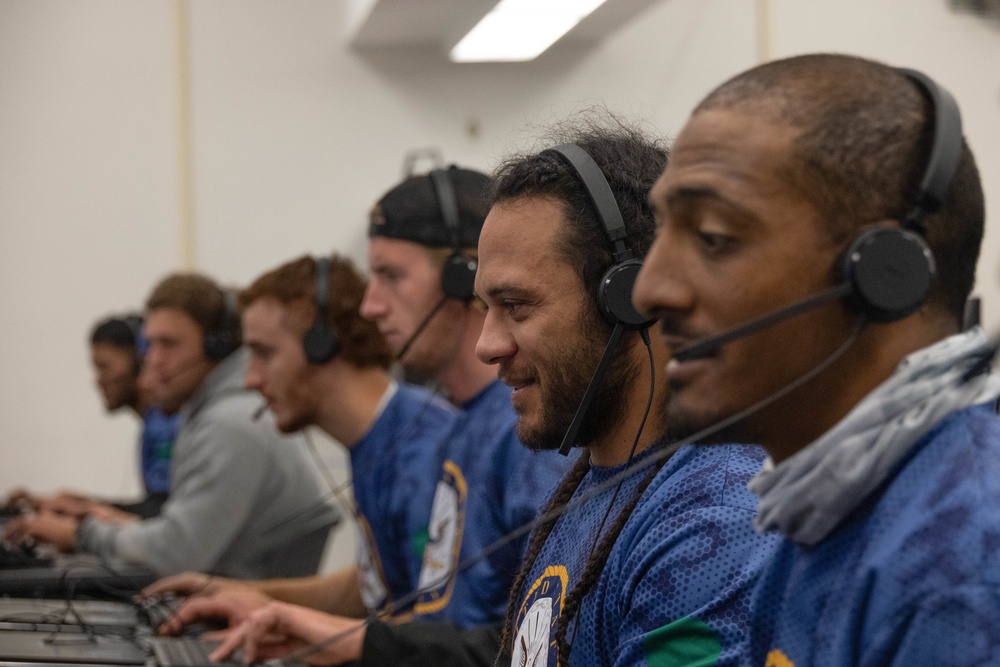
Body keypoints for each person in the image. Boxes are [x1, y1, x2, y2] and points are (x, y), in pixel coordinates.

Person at [632, 54, 1000, 666]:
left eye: (715, 237)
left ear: (884, 273)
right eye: (660, 233)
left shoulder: (961, 565)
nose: (649, 290)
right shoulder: (823, 506)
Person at [173, 167, 571, 666]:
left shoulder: (524, 433)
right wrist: (267, 603)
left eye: (391, 276)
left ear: (460, 281)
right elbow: (407, 601)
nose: (370, 305)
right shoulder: (466, 428)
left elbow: (541, 642)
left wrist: (323, 633)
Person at [147, 254, 456, 623]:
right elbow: (371, 589)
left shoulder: (423, 453)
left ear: (321, 345)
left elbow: (441, 630)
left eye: (264, 353)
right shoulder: (378, 436)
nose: (251, 380)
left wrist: (298, 629)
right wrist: (247, 595)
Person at [7, 274, 340, 579]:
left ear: (216, 345)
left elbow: (176, 554)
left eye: (168, 344)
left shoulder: (230, 425)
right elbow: (181, 534)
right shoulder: (214, 414)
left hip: (237, 623)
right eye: (149, 345)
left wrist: (81, 534)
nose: (152, 360)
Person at [9, 315, 178, 521]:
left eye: (105, 367)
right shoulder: (155, 424)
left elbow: (162, 516)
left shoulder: (166, 427)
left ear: (140, 362)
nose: (98, 380)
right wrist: (81, 505)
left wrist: (86, 510)